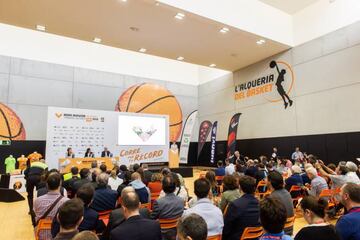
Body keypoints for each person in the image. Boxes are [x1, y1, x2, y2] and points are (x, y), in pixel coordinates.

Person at [222, 176, 260, 240]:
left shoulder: (235, 205)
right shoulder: (261, 204)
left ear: (240, 187)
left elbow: (226, 229)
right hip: (256, 237)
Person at [34, 173, 69, 239]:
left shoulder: (37, 200)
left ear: (47, 185)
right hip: (58, 235)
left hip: (41, 234)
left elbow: (35, 213)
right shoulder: (66, 202)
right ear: (60, 184)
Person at [267, 171, 294, 235]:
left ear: (269, 182)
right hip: (290, 228)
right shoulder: (287, 193)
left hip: (279, 231)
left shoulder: (272, 197)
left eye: (266, 179)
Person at [24, 158, 48, 223]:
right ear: (44, 162)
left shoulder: (32, 164)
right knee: (40, 194)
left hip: (30, 178)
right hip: (39, 179)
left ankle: (31, 210)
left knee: (30, 195)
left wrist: (27, 178)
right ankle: (39, 209)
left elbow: (25, 172)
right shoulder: (45, 166)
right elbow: (46, 175)